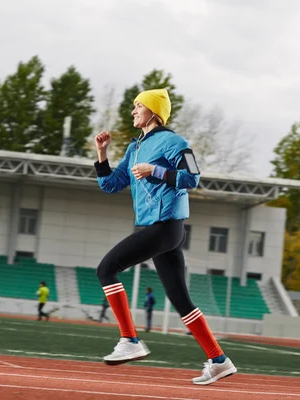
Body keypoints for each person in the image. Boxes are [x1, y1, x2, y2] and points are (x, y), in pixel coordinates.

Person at [93, 88, 237, 385]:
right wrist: (102, 154)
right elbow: (110, 185)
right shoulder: (135, 148)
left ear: (154, 111)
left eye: (138, 106)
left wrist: (155, 171)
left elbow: (193, 178)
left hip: (167, 225)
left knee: (107, 269)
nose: (133, 111)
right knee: (180, 299)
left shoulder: (173, 142)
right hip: (156, 228)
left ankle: (130, 340)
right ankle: (219, 360)